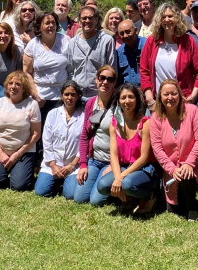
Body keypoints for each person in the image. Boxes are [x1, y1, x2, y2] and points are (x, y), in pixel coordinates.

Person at [94, 83, 159, 213]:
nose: (127, 101)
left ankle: (151, 196)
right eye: (123, 98)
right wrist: (118, 176)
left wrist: (120, 178)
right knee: (102, 186)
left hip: (144, 168)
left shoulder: (145, 123)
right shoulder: (115, 123)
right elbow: (114, 155)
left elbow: (144, 158)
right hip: (124, 166)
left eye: (131, 97)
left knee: (127, 184)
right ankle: (128, 198)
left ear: (137, 100)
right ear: (118, 101)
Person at [148, 78, 198, 220]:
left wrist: (189, 163)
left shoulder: (193, 111)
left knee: (186, 176)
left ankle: (193, 207)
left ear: (180, 95)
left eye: (173, 93)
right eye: (166, 94)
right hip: (171, 168)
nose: (170, 97)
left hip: (195, 164)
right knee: (175, 209)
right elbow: (157, 148)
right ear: (160, 97)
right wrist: (172, 169)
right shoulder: (156, 118)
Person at [140, 3, 198, 113]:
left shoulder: (188, 41)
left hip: (183, 101)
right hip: (158, 101)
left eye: (170, 16)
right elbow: (144, 71)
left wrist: (193, 95)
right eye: (163, 17)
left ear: (177, 18)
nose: (167, 19)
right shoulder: (152, 41)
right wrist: (149, 97)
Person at [0, 71, 42, 191]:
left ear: (24, 87)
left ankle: (19, 169)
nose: (13, 86)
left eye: (18, 84)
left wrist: (17, 154)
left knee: (19, 186)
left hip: (23, 152)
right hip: (1, 150)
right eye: (10, 83)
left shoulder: (32, 104)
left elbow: (36, 134)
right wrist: (0, 153)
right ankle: (7, 169)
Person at [74, 65, 119, 204]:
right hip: (94, 160)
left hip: (111, 162)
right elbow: (84, 136)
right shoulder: (90, 103)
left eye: (110, 80)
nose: (105, 82)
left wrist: (114, 165)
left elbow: (123, 138)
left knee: (95, 201)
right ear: (96, 80)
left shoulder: (118, 105)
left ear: (114, 83)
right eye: (102, 78)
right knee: (79, 198)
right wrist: (83, 165)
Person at [34, 80, 84, 198]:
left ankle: (64, 182)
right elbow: (46, 141)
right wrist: (53, 165)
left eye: (73, 95)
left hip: (73, 165)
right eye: (66, 94)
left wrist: (72, 165)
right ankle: (56, 182)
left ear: (78, 96)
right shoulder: (53, 114)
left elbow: (84, 143)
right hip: (53, 163)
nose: (69, 98)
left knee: (70, 195)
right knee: (41, 192)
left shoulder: (83, 116)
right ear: (62, 96)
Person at [65, 5, 118, 99]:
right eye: (84, 18)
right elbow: (70, 71)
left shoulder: (106, 41)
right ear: (79, 20)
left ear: (96, 20)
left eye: (90, 18)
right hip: (78, 96)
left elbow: (112, 69)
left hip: (99, 95)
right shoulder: (73, 43)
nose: (87, 21)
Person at [23, 11, 70, 116]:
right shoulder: (32, 45)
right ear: (39, 27)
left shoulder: (66, 41)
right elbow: (27, 72)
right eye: (47, 23)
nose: (51, 26)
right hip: (41, 98)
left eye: (53, 23)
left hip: (62, 97)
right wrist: (35, 95)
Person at [115, 20, 146, 87]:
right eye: (122, 33)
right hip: (128, 93)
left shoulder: (147, 46)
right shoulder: (118, 53)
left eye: (128, 32)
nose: (125, 36)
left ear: (136, 30)